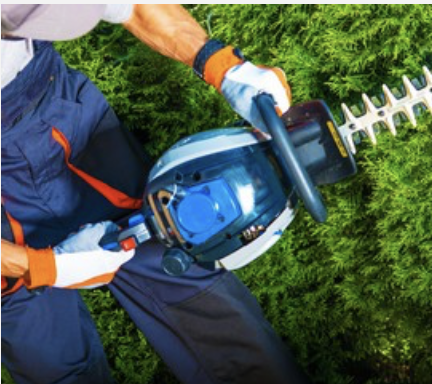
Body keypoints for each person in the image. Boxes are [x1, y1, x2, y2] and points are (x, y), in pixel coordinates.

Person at [1, 4, 308, 384]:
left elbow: (133, 5)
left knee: (178, 258)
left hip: (59, 108)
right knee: (48, 357)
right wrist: (41, 267)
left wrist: (223, 66)